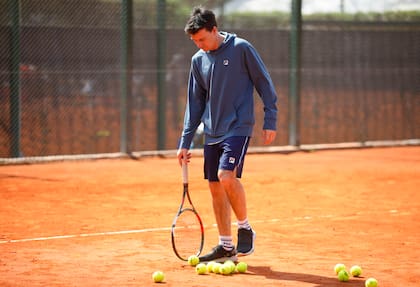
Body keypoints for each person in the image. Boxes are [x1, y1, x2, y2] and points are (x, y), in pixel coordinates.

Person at [177, 6, 278, 263]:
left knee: (226, 176)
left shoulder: (241, 48)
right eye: (194, 41)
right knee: (214, 186)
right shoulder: (198, 60)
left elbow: (263, 82)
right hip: (212, 130)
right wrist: (185, 142)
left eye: (202, 38)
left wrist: (270, 119)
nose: (199, 45)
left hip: (238, 125)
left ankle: (245, 227)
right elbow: (195, 103)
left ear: (214, 29)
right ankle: (225, 246)